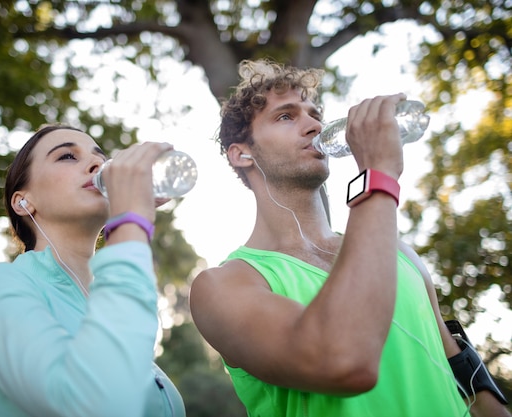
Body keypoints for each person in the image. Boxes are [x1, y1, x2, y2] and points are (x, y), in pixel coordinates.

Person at [189, 59, 510, 417]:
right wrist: (377, 174)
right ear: (241, 154)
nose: (314, 126)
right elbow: (342, 360)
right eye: (286, 116)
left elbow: (461, 368)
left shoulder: (397, 252)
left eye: (314, 114)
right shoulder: (223, 286)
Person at [0, 125, 186, 417]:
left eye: (100, 157)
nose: (97, 164)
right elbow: (94, 403)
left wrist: (122, 236)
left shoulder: (112, 297)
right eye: (67, 156)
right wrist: (131, 225)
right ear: (23, 202)